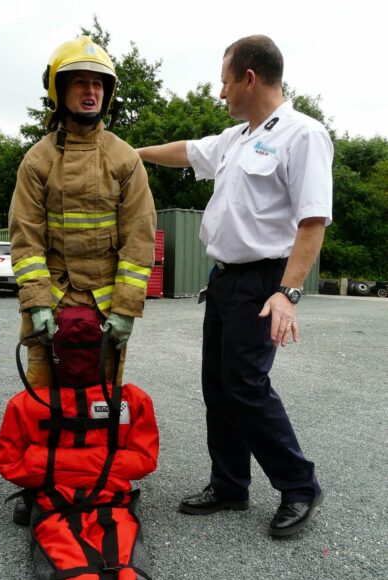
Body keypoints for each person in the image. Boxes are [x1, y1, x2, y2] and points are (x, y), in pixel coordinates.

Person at [136, 35, 333, 537]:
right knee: (218, 387)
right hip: (222, 281)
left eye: (224, 81)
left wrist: (286, 294)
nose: (220, 92)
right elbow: (185, 152)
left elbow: (312, 223)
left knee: (246, 386)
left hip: (263, 281)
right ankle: (229, 485)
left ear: (249, 77)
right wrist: (130, 152)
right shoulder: (236, 137)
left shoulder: (302, 135)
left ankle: (299, 485)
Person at [0, 307, 174, 580]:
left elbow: (9, 463)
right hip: (113, 501)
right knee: (125, 562)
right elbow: (144, 460)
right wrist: (99, 467)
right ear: (106, 349)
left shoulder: (26, 404)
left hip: (53, 504)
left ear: (53, 351)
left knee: (70, 567)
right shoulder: (131, 400)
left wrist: (57, 466)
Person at [9, 35, 156, 389]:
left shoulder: (125, 159)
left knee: (101, 409)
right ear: (60, 91)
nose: (91, 92)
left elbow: (140, 239)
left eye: (97, 84)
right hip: (51, 308)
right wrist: (37, 303)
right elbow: (25, 238)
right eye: (80, 83)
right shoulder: (37, 161)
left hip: (105, 314)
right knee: (44, 408)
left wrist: (125, 310)